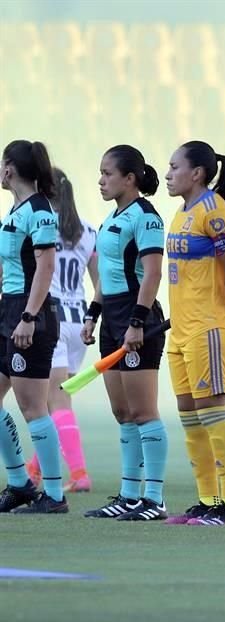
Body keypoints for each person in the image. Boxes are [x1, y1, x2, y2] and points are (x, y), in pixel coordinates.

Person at [163, 141, 225, 526]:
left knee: (214, 414)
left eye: (174, 167)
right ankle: (207, 499)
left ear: (196, 173)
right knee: (190, 417)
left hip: (208, 327)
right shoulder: (181, 212)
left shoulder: (214, 211)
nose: (167, 174)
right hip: (180, 330)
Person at [82, 145, 168, 521]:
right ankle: (129, 494)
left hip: (138, 319)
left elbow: (152, 274)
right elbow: (106, 278)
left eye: (107, 173)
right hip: (112, 320)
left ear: (129, 179)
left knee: (143, 411)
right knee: (122, 412)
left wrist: (137, 322)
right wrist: (92, 315)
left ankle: (154, 499)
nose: (101, 180)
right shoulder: (109, 220)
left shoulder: (146, 217)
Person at [0, 140, 66, 514]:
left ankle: (55, 495)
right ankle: (20, 484)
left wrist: (28, 316)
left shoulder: (40, 211)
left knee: (33, 407)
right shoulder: (14, 210)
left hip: (30, 315)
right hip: (8, 311)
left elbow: (45, 267)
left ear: (9, 169)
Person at [24, 168, 98, 493]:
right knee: (56, 401)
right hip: (78, 320)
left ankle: (80, 474)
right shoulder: (88, 232)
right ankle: (33, 470)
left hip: (49, 319)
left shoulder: (39, 226)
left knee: (54, 402)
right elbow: (101, 284)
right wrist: (93, 318)